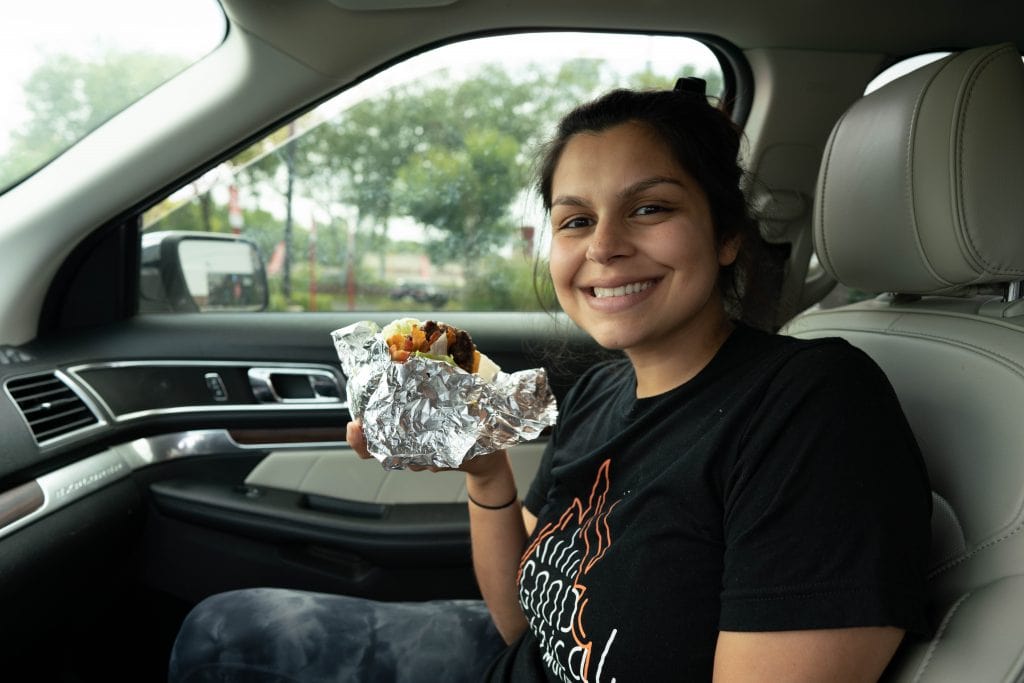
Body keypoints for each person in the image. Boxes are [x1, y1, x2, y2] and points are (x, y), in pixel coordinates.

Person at [168, 80, 931, 682]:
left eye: (650, 207)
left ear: (727, 234)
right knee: (221, 626)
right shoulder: (605, 388)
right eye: (574, 220)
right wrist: (485, 467)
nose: (605, 246)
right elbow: (523, 622)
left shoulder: (814, 406)